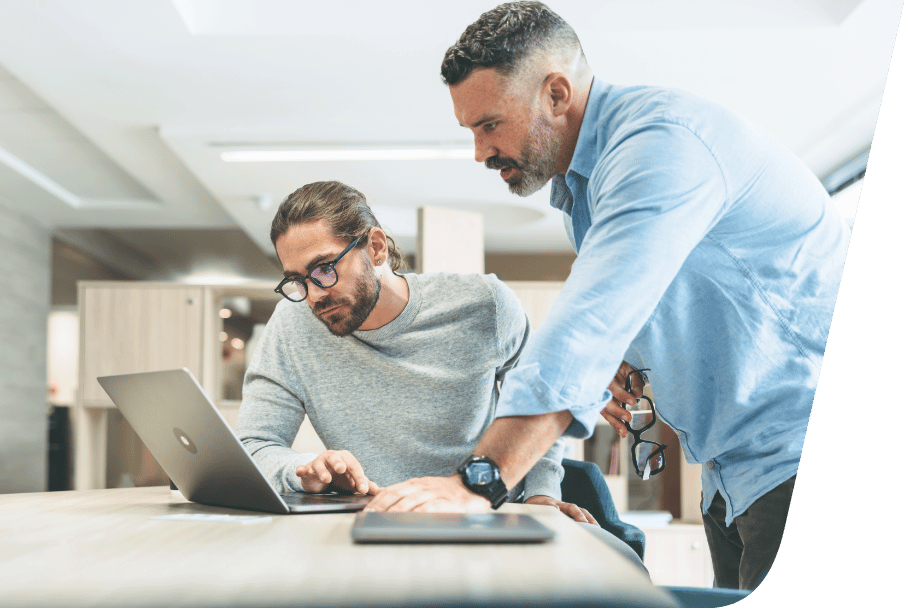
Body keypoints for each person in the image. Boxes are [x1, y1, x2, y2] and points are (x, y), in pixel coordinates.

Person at [366, 1, 848, 591]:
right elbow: (642, 310)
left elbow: (588, 324)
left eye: (490, 124)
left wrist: (477, 483)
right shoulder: (583, 190)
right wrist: (632, 364)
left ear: (557, 94)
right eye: (471, 131)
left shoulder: (661, 145)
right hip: (734, 477)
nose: (480, 152)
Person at [233, 180, 645, 560]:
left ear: (375, 248)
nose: (313, 296)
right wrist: (301, 470)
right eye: (297, 281)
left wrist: (541, 494)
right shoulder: (290, 326)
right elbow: (254, 445)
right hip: (373, 528)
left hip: (487, 518)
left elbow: (542, 404)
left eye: (324, 269)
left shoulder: (484, 305)